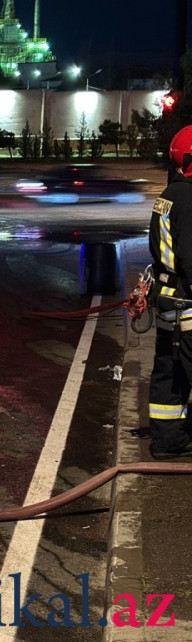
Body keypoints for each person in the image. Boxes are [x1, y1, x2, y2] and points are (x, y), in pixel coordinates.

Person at [147, 125, 192, 460]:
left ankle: (166, 439)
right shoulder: (189, 199)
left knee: (169, 372)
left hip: (168, 300)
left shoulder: (169, 195)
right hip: (188, 304)